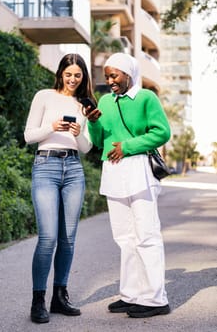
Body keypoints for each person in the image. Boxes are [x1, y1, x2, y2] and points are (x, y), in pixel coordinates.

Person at [87, 52, 171, 318]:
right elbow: (100, 141)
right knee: (124, 238)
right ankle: (132, 293)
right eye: (107, 76)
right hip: (112, 172)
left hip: (138, 168)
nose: (110, 80)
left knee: (146, 234)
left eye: (115, 75)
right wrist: (93, 122)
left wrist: (128, 146)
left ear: (129, 74)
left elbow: (161, 132)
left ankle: (155, 299)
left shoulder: (146, 98)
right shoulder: (105, 101)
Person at [24, 53, 96, 324]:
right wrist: (51, 126)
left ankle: (59, 297)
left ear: (83, 77)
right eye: (69, 74)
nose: (73, 79)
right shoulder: (44, 96)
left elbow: (87, 149)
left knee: (68, 239)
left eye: (78, 75)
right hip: (46, 166)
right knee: (48, 238)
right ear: (61, 73)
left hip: (74, 169)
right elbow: (29, 136)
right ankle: (38, 301)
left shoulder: (83, 104)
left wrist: (78, 134)